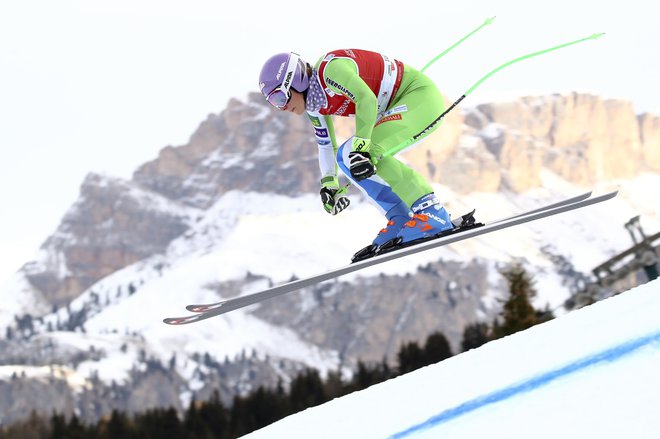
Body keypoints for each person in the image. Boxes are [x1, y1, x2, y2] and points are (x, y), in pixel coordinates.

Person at [258, 49, 455, 256]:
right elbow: (326, 144)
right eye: (273, 102)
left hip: (419, 99)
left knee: (363, 152)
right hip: (400, 105)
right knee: (346, 156)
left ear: (296, 81)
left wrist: (361, 147)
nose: (281, 107)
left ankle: (432, 211)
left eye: (280, 97)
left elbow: (366, 99)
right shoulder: (315, 105)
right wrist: (329, 184)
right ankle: (400, 217)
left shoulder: (330, 70)